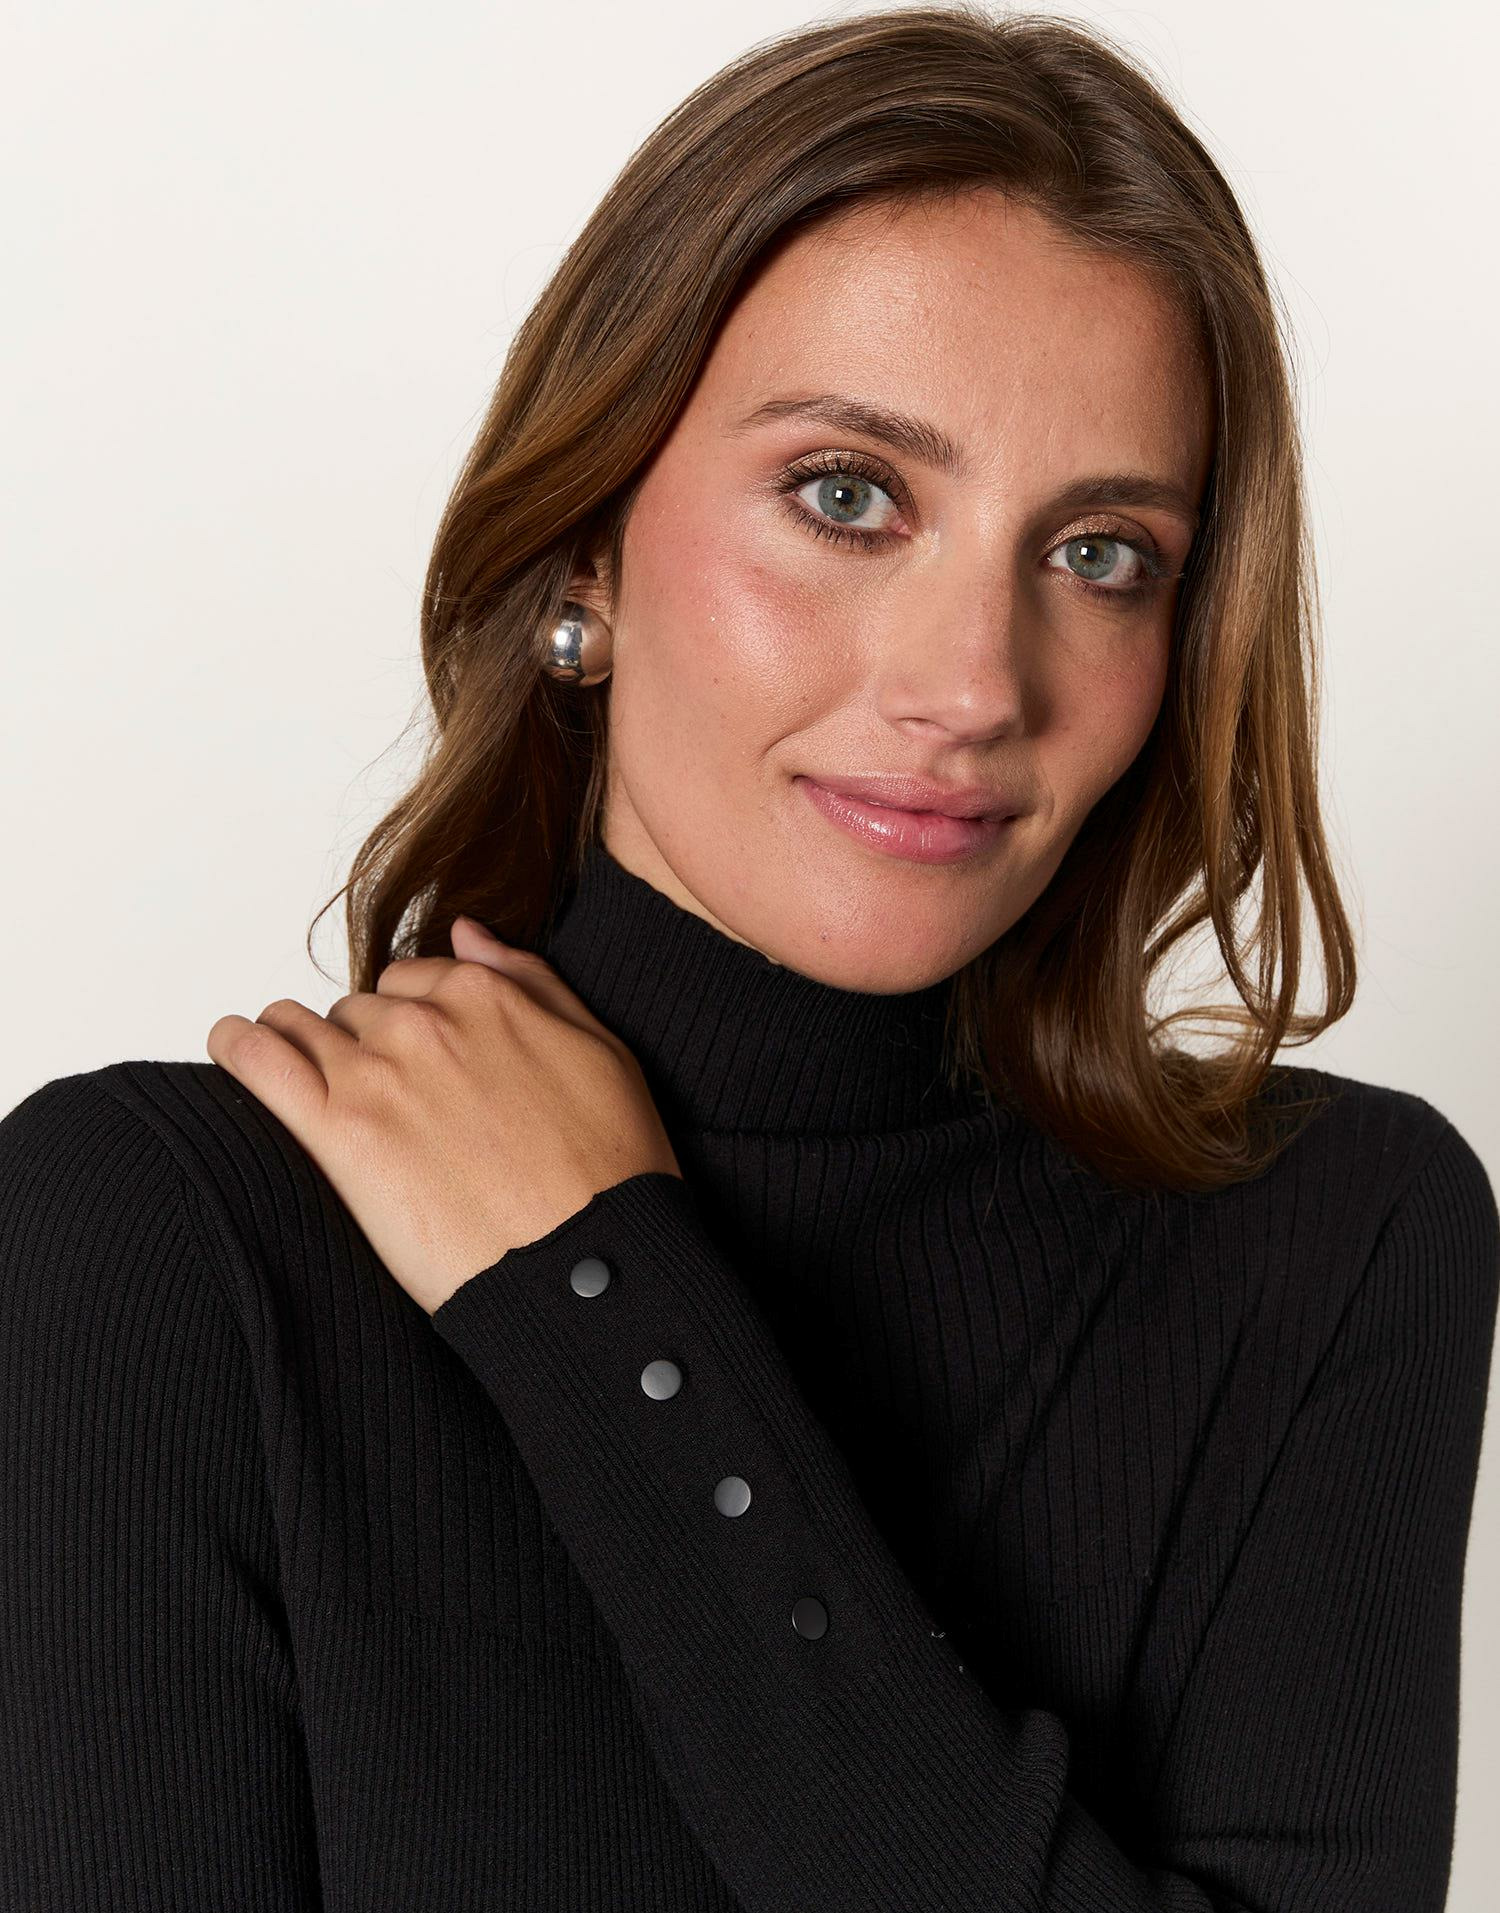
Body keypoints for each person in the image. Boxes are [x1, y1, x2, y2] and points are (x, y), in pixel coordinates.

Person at [2, 7, 1495, 1909]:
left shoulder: (1335, 1240)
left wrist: (602, 1302)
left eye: (1101, 552)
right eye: (849, 494)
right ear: (587, 553)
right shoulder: (161, 1243)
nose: (974, 685)